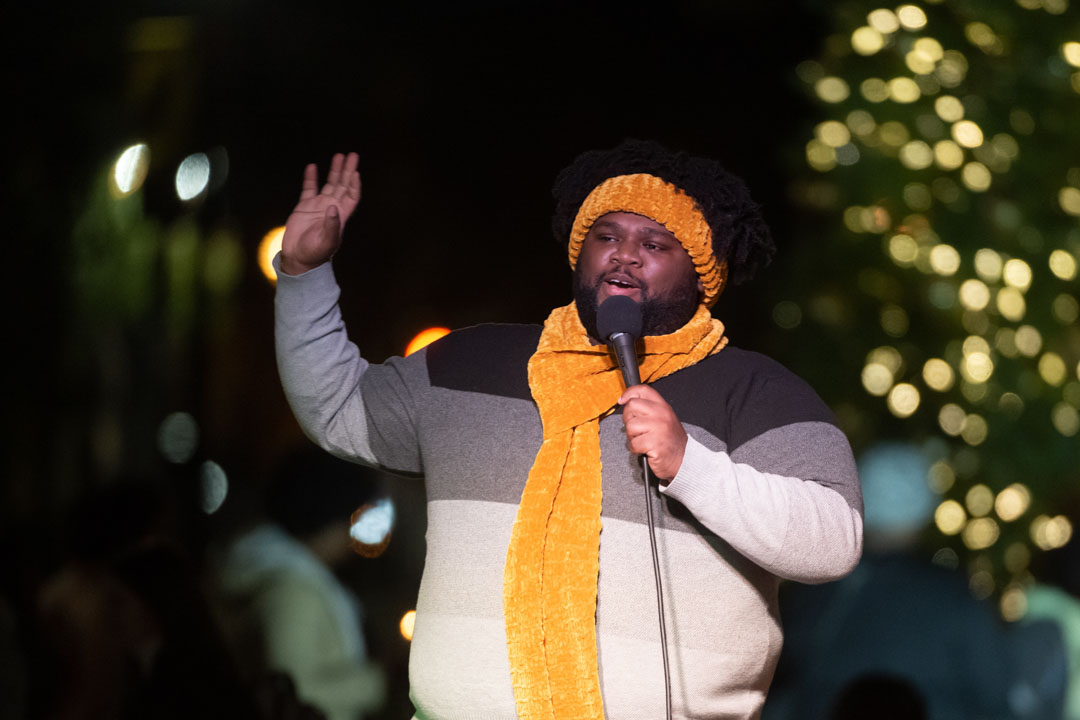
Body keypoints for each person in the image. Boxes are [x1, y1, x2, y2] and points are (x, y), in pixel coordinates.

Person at [274, 140, 863, 719]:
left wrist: (691, 464)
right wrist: (304, 275)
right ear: (579, 255)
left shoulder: (756, 391)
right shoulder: (469, 363)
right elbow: (336, 408)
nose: (624, 255)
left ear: (705, 274)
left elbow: (834, 540)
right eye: (606, 237)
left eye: (655, 243)